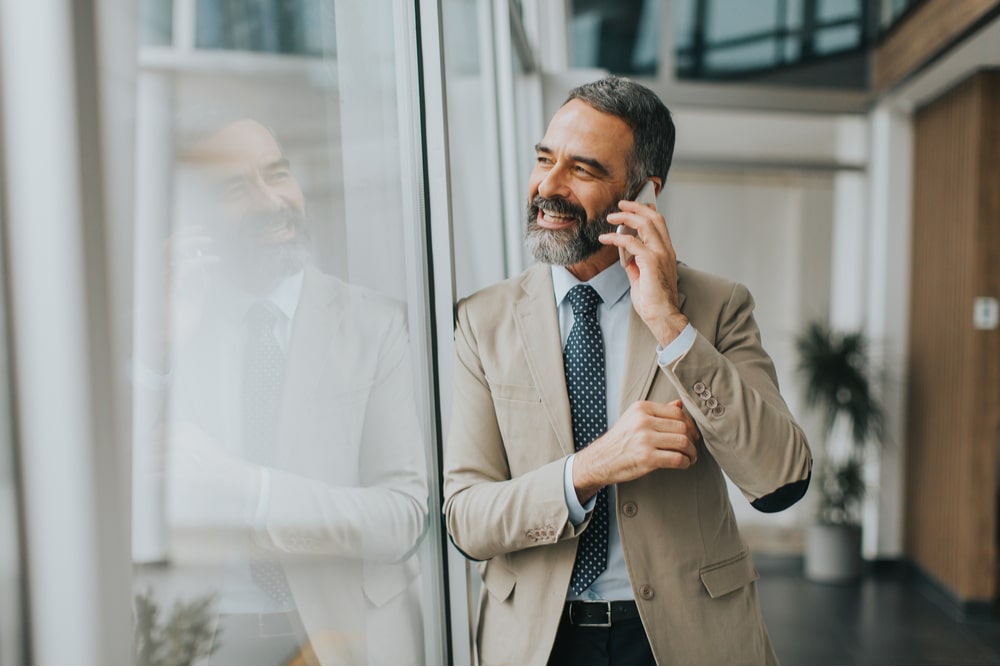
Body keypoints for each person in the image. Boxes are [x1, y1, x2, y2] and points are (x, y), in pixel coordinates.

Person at [443, 76, 812, 665]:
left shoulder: (716, 306)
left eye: (583, 170)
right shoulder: (482, 321)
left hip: (686, 639)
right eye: (544, 158)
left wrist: (669, 324)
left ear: (643, 192)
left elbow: (780, 480)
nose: (548, 186)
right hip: (541, 643)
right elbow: (467, 519)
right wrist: (589, 469)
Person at [142, 119, 429, 665]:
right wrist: (158, 345)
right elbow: (105, 497)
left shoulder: (376, 324)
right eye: (235, 188)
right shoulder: (168, 323)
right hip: (201, 640)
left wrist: (251, 491)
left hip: (343, 638)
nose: (273, 201)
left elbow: (402, 518)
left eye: (277, 175)